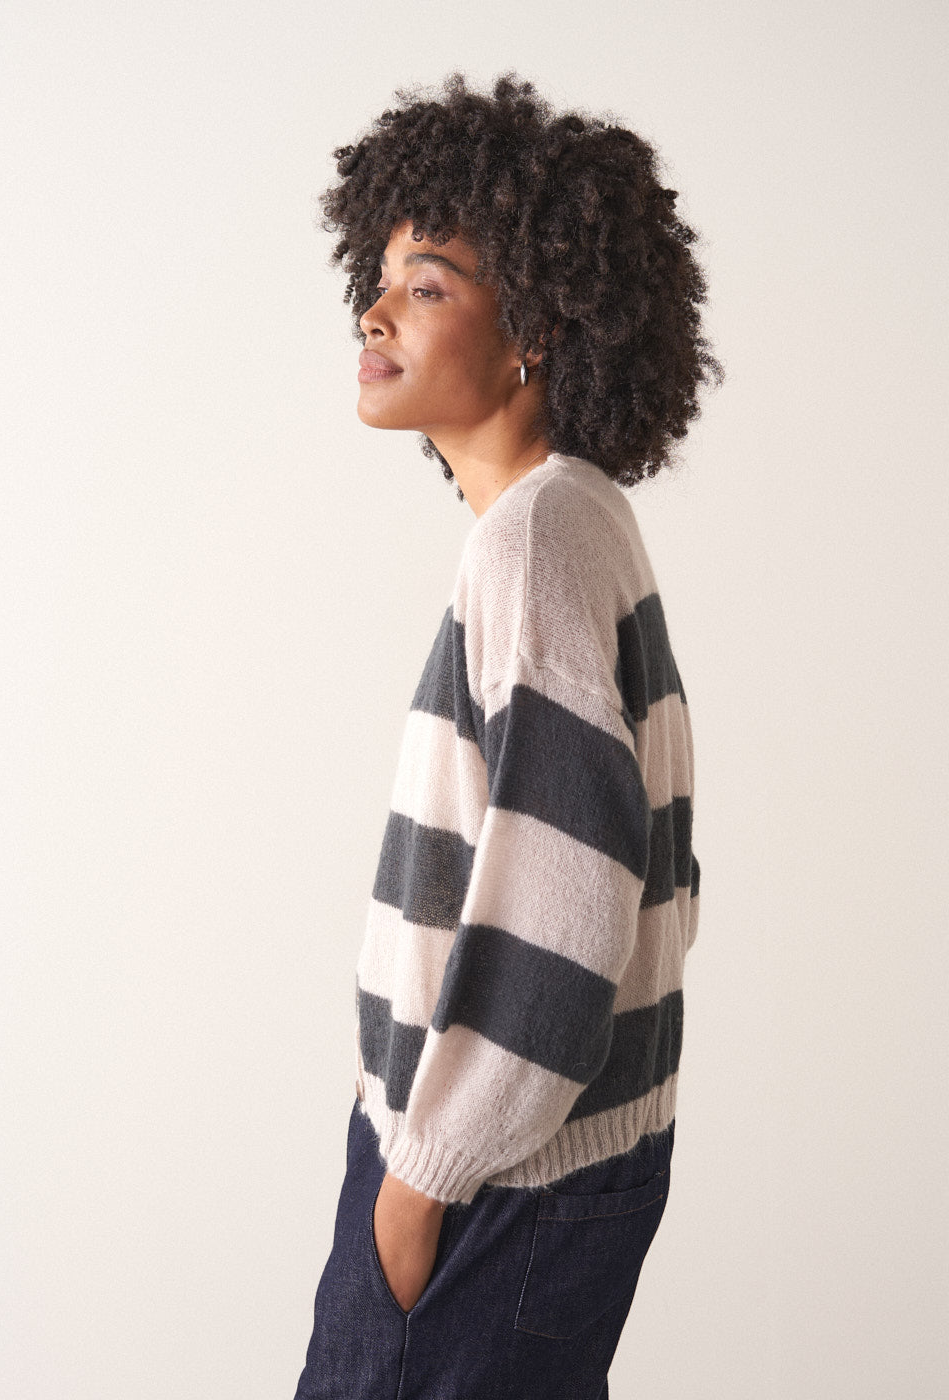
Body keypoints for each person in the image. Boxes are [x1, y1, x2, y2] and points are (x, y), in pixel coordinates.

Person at [295, 71, 723, 1400]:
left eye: (426, 285)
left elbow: (569, 896)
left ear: (535, 326)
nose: (375, 310)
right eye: (379, 279)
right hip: (556, 1169)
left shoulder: (535, 545)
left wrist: (420, 1181)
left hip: (490, 1187)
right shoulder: (577, 522)